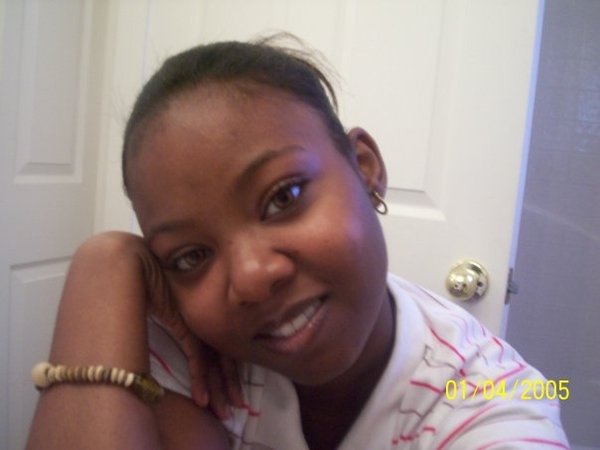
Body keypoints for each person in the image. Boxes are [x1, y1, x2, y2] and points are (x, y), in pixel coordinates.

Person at [27, 35, 569, 449]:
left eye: (283, 197)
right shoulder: (184, 347)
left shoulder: (494, 400)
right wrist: (104, 261)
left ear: (366, 169)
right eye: (191, 256)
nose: (250, 278)